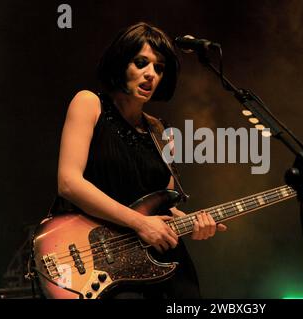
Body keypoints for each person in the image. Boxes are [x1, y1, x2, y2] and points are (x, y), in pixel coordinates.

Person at [52, 21, 227, 299]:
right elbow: (69, 183)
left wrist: (193, 223)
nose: (151, 75)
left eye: (158, 68)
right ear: (121, 63)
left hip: (160, 260)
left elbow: (166, 206)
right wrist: (140, 223)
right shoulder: (89, 104)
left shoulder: (162, 132)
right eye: (141, 62)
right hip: (99, 258)